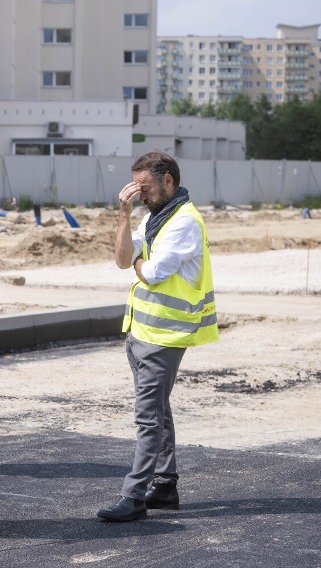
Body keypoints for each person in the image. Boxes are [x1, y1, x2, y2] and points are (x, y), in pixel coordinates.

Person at [97, 150, 219, 522]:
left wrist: (137, 262)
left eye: (145, 188)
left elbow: (150, 273)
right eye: (136, 189)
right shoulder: (154, 218)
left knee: (147, 416)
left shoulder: (183, 222)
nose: (141, 196)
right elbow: (122, 260)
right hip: (143, 331)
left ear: (168, 181)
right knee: (158, 411)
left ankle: (134, 495)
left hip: (164, 335)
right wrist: (123, 214)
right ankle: (164, 485)